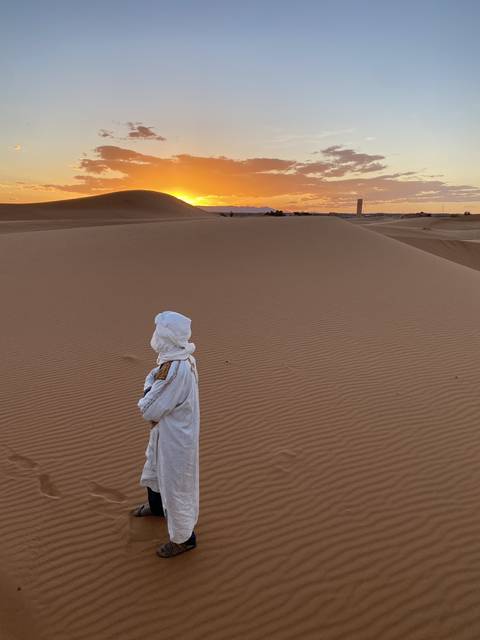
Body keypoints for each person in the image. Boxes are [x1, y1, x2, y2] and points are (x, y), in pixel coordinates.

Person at [132, 311, 200, 558]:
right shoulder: (180, 358)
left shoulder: (174, 369)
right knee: (156, 469)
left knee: (176, 486)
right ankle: (157, 508)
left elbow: (150, 408)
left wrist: (147, 390)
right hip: (168, 432)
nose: (155, 337)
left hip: (175, 439)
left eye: (159, 333)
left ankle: (184, 538)